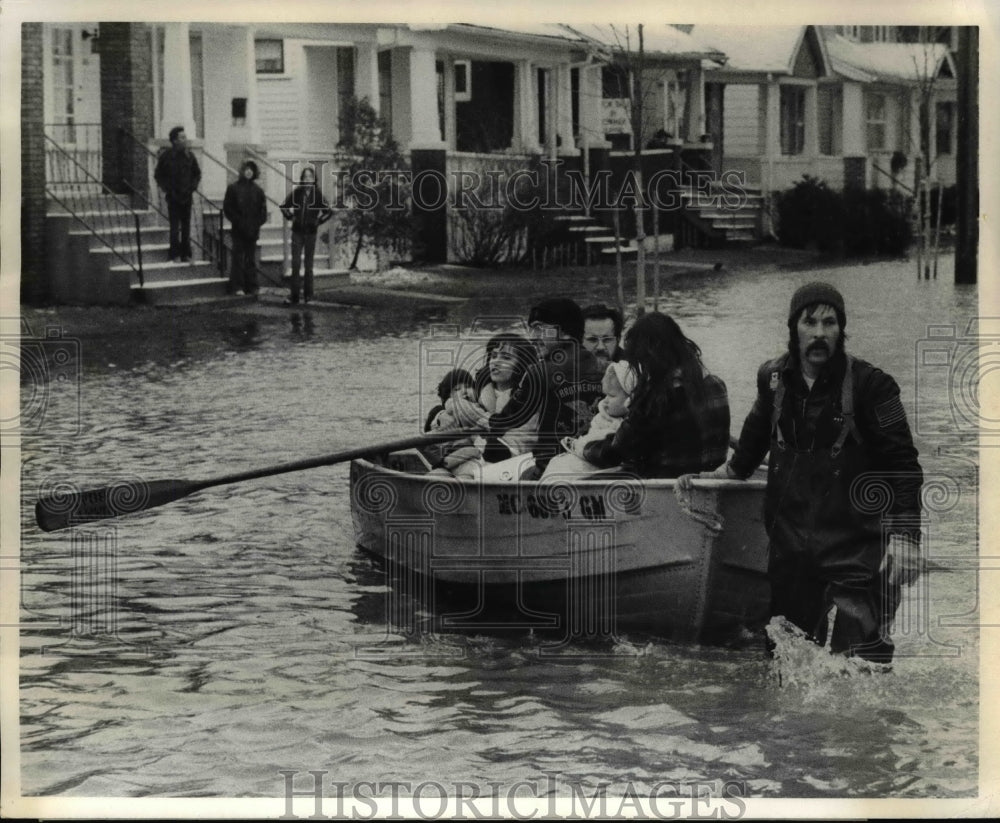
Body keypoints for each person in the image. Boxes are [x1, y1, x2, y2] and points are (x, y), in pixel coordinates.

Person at [679, 282, 924, 663]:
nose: (820, 333)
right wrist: (725, 473)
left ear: (842, 330)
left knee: (861, 671)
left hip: (857, 547)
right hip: (791, 546)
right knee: (787, 666)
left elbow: (904, 464)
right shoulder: (772, 379)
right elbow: (755, 436)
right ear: (794, 327)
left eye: (830, 323)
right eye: (810, 322)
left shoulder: (874, 385)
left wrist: (907, 537)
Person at [448, 298, 604, 480]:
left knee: (470, 474)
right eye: (532, 329)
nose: (533, 336)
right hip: (593, 462)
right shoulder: (605, 367)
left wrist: (471, 416)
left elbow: (503, 422)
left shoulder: (539, 372)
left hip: (549, 468)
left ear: (565, 331)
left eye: (539, 328)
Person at [568, 312, 730, 478]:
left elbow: (614, 453)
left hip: (667, 484)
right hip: (710, 478)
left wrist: (584, 447)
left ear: (649, 356)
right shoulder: (717, 383)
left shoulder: (655, 397)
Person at [541, 360, 636, 479]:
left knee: (563, 469)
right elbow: (593, 434)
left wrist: (580, 447)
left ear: (630, 398)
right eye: (605, 395)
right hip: (590, 456)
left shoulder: (632, 424)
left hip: (604, 465)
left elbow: (609, 450)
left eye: (611, 396)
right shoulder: (603, 417)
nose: (605, 400)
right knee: (557, 464)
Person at [280, 167, 333, 305]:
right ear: (302, 179)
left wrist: (318, 221)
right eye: (305, 177)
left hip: (311, 233)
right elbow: (284, 206)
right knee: (296, 264)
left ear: (314, 179)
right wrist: (291, 217)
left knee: (308, 266)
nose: (307, 179)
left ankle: (309, 296)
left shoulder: (318, 194)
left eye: (310, 177)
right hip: (297, 232)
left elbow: (328, 212)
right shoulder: (297, 193)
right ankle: (294, 296)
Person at [154, 126, 201, 263]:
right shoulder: (167, 156)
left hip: (186, 196)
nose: (185, 140)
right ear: (174, 140)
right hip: (173, 196)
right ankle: (174, 254)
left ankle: (186, 254)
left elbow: (197, 174)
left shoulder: (189, 156)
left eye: (185, 137)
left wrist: (192, 187)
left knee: (186, 227)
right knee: (174, 226)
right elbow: (158, 175)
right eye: (182, 137)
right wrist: (167, 189)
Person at [223, 160, 268, 296]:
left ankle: (252, 286)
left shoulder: (258, 191)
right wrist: (239, 222)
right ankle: (237, 286)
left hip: (252, 231)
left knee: (250, 259)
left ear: (254, 172)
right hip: (238, 230)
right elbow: (228, 208)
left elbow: (263, 212)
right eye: (246, 169)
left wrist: (256, 224)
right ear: (242, 171)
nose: (249, 172)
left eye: (251, 170)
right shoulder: (233, 188)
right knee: (238, 258)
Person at [581, 304, 623, 371]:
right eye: (592, 339)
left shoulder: (633, 369)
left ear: (618, 340)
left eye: (607, 340)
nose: (600, 347)